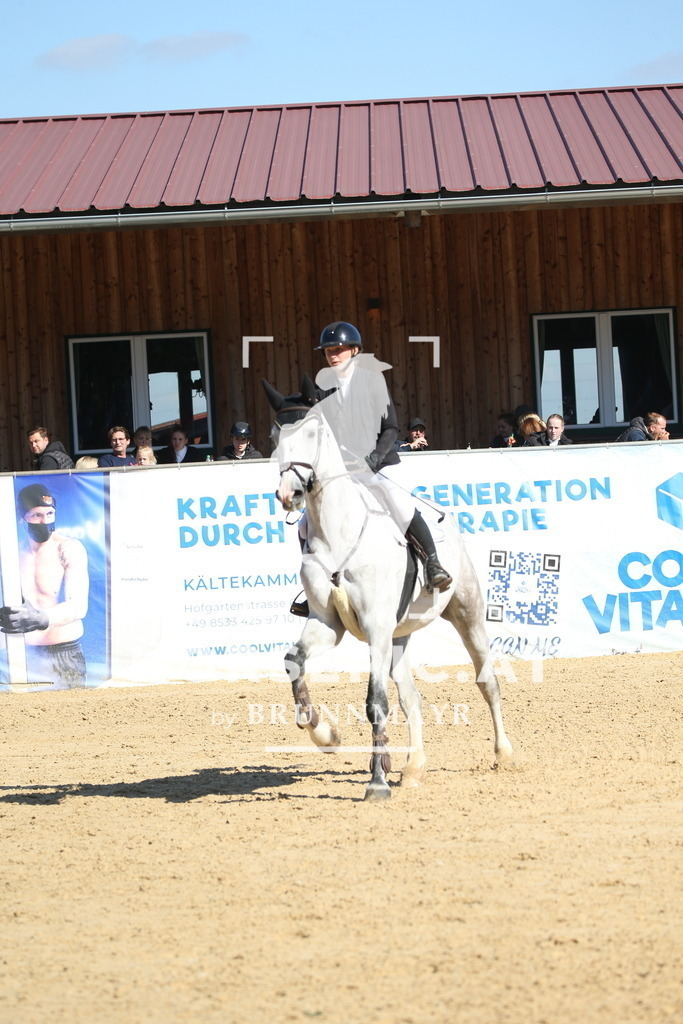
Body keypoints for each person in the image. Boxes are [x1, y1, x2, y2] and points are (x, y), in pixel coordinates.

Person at [289, 321, 452, 617]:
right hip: (344, 473)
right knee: (303, 524)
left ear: (354, 351)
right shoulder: (323, 387)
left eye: (338, 350)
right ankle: (313, 590)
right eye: (328, 351)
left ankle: (433, 564)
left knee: (401, 506)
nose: (332, 355)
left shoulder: (372, 382)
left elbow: (390, 427)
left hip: (379, 465)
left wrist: (375, 457)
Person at [0, 483, 89, 688]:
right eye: (36, 515)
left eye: (50, 513)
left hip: (64, 653)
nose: (45, 521)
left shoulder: (68, 548)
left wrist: (42, 618)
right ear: (23, 517)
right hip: (22, 654)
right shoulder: (11, 553)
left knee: (73, 715)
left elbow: (78, 606)